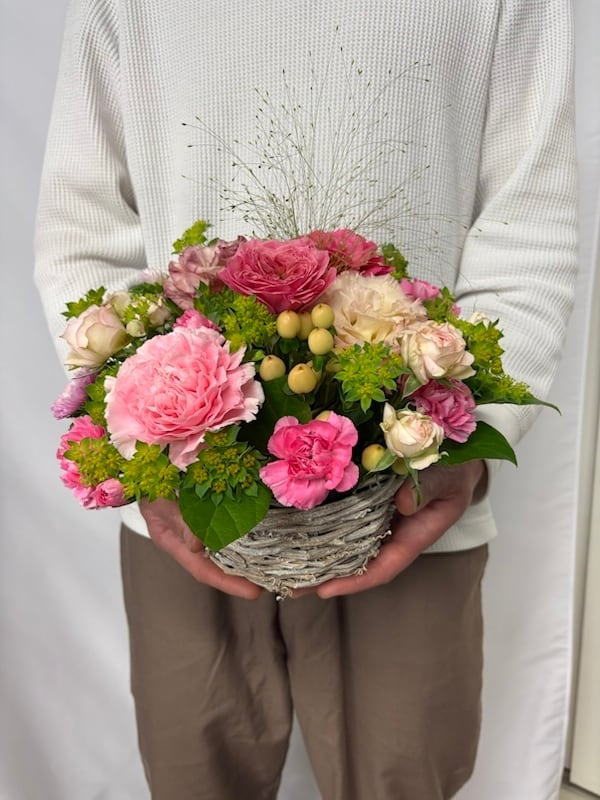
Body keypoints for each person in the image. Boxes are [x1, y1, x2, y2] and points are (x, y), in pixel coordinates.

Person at [34, 1, 577, 798]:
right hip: (187, 500)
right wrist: (147, 432)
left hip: (412, 501)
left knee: (403, 775)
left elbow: (529, 226)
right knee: (193, 777)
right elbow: (83, 226)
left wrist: (471, 436)